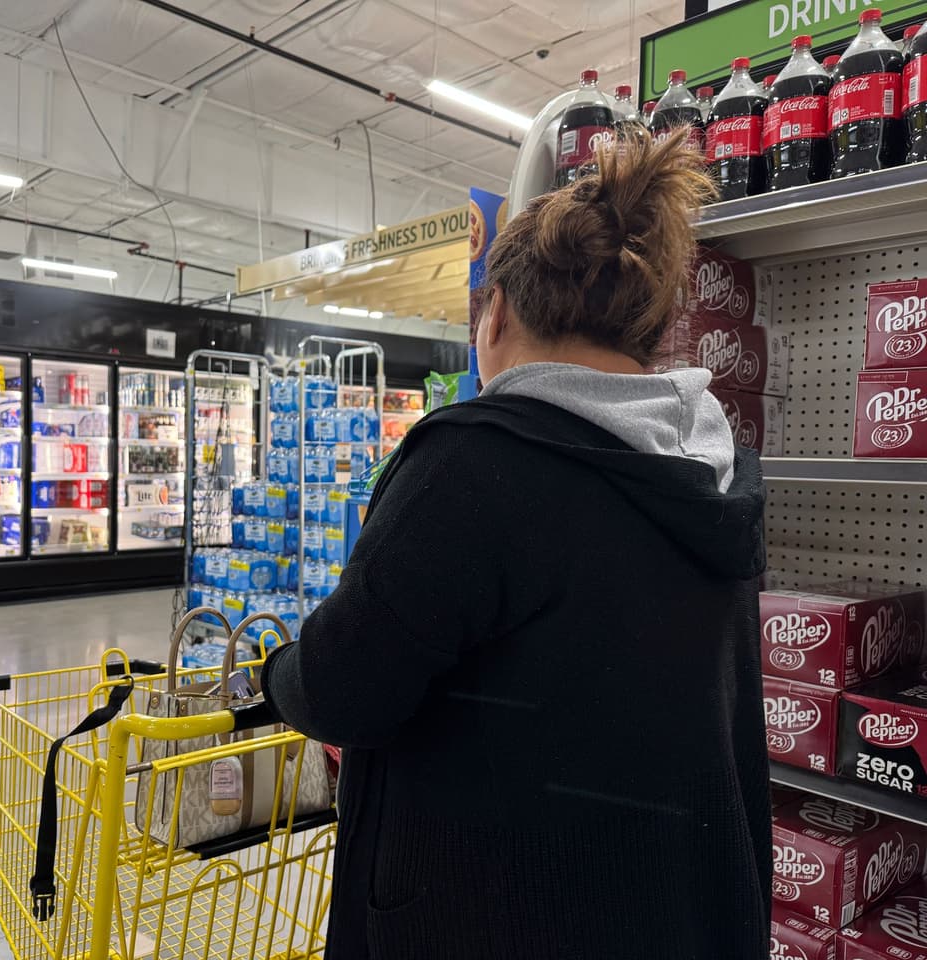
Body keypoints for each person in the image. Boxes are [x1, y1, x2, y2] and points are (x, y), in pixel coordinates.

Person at [260, 130, 770, 960]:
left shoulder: (476, 461)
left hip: (495, 913)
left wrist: (273, 670)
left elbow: (343, 690)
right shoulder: (713, 468)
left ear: (495, 313)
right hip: (678, 907)